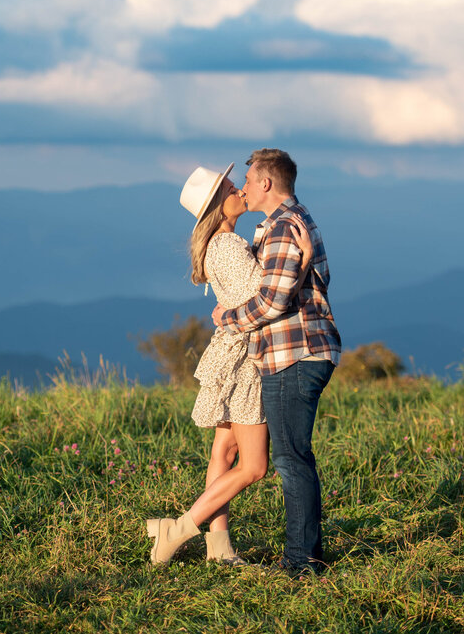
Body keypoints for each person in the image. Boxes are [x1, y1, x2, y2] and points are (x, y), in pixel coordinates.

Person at [145, 163, 312, 566]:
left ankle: (219, 548)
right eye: (231, 188)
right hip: (247, 356)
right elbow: (270, 300)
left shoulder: (225, 244)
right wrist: (303, 261)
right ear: (220, 206)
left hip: (232, 351)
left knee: (224, 450)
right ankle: (179, 529)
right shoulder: (229, 247)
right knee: (253, 466)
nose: (240, 190)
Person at [211, 148, 341, 574]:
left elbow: (270, 301)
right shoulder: (283, 225)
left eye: (248, 181)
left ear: (266, 183)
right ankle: (304, 555)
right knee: (292, 456)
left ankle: (301, 562)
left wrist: (226, 318)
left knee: (290, 460)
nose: (244, 189)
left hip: (293, 352)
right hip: (298, 351)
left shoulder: (285, 227)